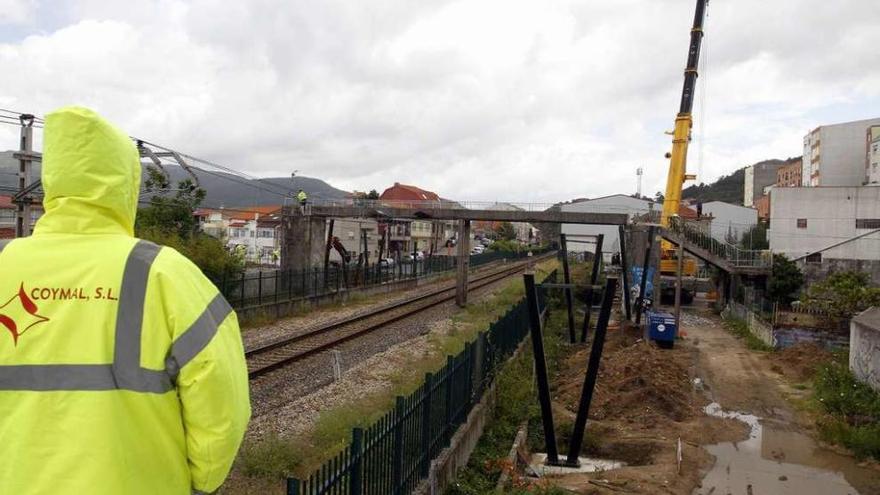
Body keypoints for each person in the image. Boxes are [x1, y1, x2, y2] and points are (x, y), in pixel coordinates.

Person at [0, 107, 250, 495]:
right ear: (126, 183)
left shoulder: (5, 265)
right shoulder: (166, 274)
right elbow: (223, 413)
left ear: (52, 182)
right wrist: (197, 484)